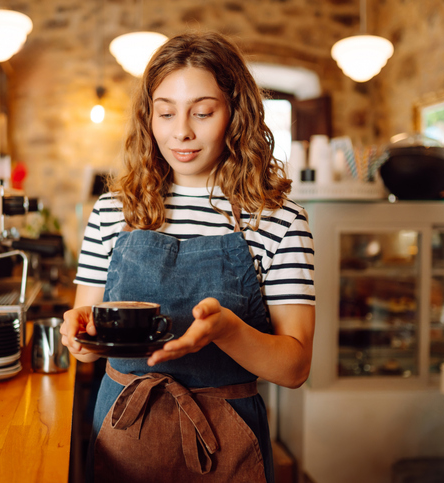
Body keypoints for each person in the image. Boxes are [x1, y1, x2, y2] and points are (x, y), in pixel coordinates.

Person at [60, 31, 315, 483]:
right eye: (165, 113)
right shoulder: (111, 211)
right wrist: (78, 336)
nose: (182, 131)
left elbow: (294, 367)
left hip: (228, 440)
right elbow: (87, 338)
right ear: (148, 117)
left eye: (202, 112)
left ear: (236, 113)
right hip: (124, 433)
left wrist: (228, 331)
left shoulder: (279, 220)